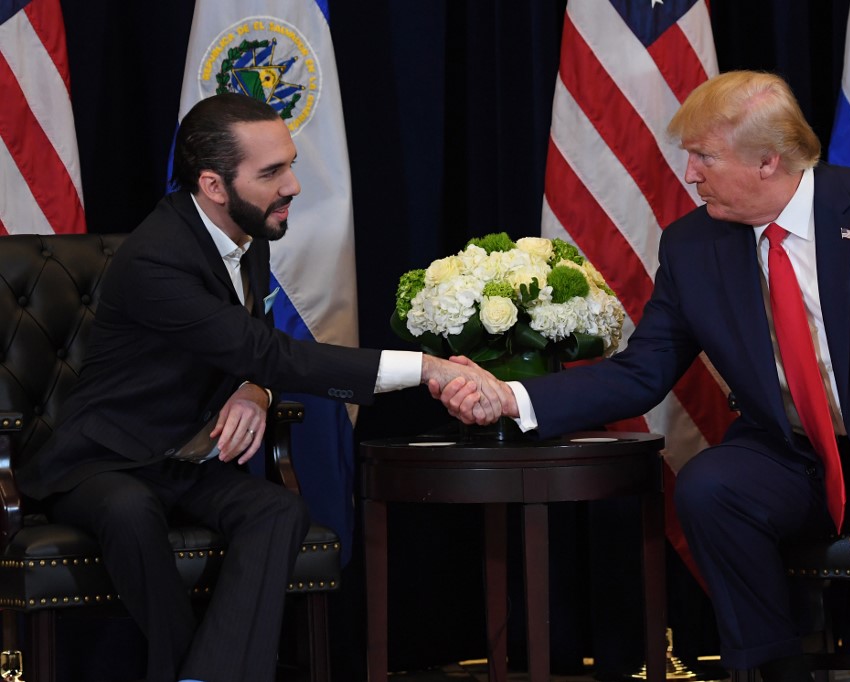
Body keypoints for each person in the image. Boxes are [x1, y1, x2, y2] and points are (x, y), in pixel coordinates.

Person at [436, 71, 850, 682]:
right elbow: (644, 371)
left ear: (768, 161)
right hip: (797, 448)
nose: (690, 174)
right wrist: (512, 397)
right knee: (710, 490)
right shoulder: (693, 245)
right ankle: (773, 671)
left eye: (704, 157)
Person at [15, 92, 499, 682]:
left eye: (289, 164)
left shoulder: (250, 236)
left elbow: (251, 352)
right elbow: (267, 351)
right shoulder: (155, 261)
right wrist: (426, 368)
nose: (293, 185)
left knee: (277, 511)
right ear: (214, 185)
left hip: (184, 460)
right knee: (129, 509)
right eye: (272, 172)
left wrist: (256, 392)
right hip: (99, 460)